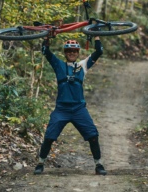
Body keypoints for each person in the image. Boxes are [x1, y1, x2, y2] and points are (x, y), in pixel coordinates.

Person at [34, 36, 107, 175]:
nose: (72, 53)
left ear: (78, 52)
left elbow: (99, 52)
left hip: (79, 109)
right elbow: (45, 51)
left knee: (93, 135)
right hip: (61, 109)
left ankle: (99, 165)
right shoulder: (58, 64)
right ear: (65, 53)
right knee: (49, 136)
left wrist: (96, 37)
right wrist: (46, 38)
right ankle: (40, 163)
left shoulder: (82, 66)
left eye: (74, 51)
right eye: (69, 51)